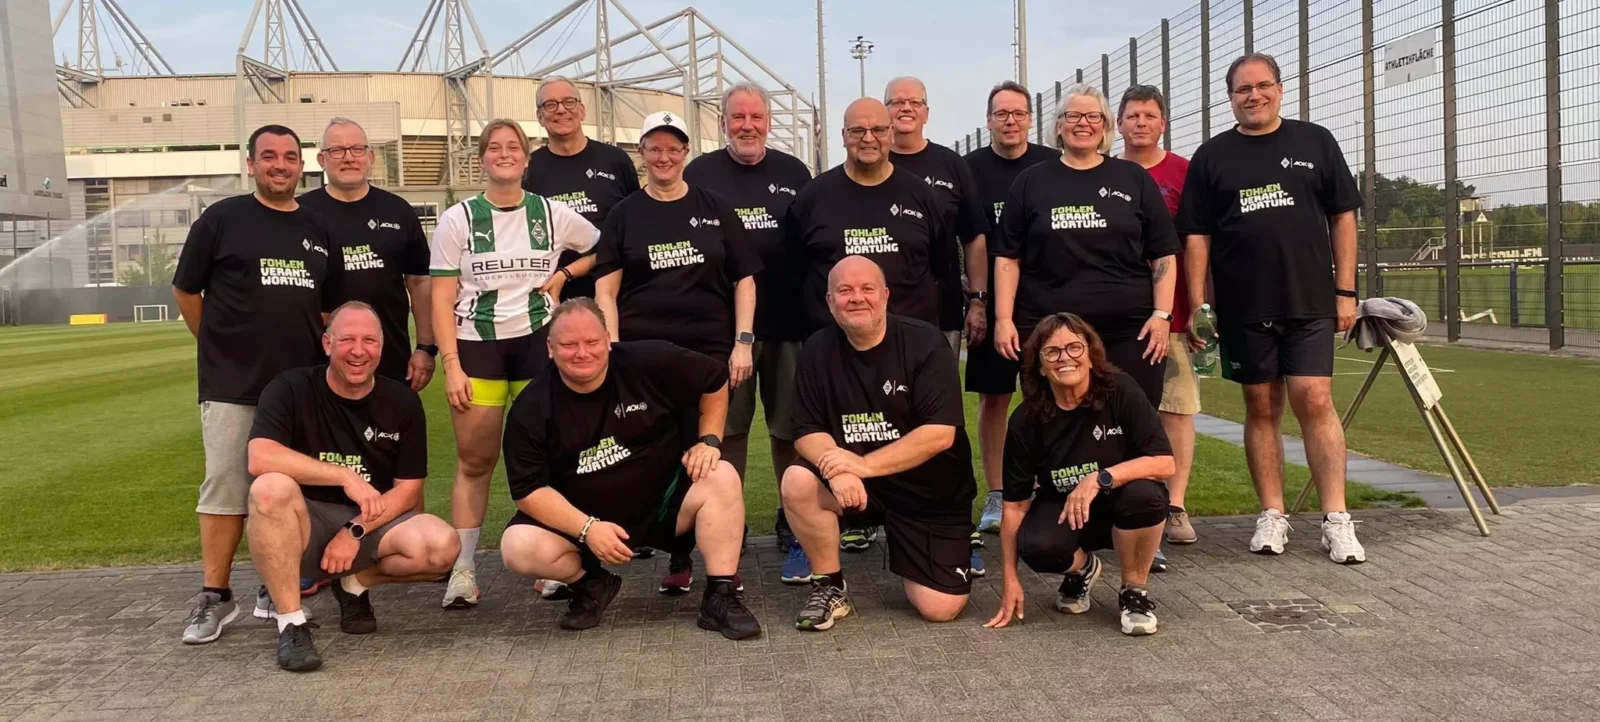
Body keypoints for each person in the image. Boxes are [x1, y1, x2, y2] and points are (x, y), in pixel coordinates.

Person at [1175, 53, 1366, 563]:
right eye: (1242, 89)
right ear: (1230, 97)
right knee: (1261, 406)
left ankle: (1336, 519)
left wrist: (1345, 292)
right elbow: (1197, 236)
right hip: (1242, 304)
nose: (1253, 95)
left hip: (1309, 301)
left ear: (1280, 89)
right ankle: (1273, 515)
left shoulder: (1315, 141)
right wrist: (1198, 304)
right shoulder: (1212, 157)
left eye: (1262, 86)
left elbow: (1343, 217)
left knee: (1314, 398)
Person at [498, 298, 762, 639]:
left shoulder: (647, 360)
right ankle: (591, 583)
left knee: (721, 474)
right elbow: (528, 491)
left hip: (664, 507)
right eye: (569, 344)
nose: (582, 353)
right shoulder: (530, 409)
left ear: (608, 339)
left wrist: (708, 440)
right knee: (517, 546)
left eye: (592, 342)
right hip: (586, 523)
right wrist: (587, 528)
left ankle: (720, 596)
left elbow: (713, 380)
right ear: (550, 349)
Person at [171, 124, 343, 645]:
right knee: (226, 487)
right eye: (269, 156)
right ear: (251, 164)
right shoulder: (222, 219)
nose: (280, 165)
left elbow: (325, 307)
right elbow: (186, 291)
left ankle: (278, 586)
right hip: (233, 383)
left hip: (299, 388)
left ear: (302, 165)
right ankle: (215, 597)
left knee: (291, 490)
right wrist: (220, 346)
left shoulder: (317, 227)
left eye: (289, 157)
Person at [431, 118, 602, 609]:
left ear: (527, 160)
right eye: (494, 148)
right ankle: (463, 569)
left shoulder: (552, 213)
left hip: (537, 346)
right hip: (477, 349)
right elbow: (441, 299)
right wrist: (451, 364)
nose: (504, 154)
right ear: (482, 159)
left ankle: (555, 561)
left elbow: (600, 246)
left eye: (513, 147)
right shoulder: (458, 219)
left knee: (555, 458)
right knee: (476, 460)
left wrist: (564, 273)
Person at [594, 109, 762, 595]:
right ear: (641, 153)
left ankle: (721, 562)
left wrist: (743, 342)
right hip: (646, 358)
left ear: (685, 153)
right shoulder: (626, 212)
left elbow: (744, 278)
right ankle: (677, 555)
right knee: (659, 451)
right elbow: (606, 288)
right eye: (655, 147)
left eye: (673, 148)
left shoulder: (714, 205)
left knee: (710, 450)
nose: (664, 156)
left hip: (710, 355)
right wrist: (615, 347)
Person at [245, 301, 460, 671]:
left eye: (369, 341)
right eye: (346, 340)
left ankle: (354, 585)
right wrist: (344, 476)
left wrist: (355, 530)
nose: (358, 351)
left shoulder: (403, 402)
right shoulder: (290, 387)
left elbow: (408, 490)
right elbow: (259, 457)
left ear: (382, 346)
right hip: (304, 525)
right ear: (327, 344)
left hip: (369, 523)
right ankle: (291, 622)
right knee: (269, 488)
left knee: (442, 546)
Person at [784, 98, 955, 558]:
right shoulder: (814, 197)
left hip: (908, 345)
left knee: (921, 439)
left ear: (891, 134)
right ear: (842, 135)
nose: (868, 139)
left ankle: (942, 525)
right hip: (834, 345)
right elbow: (793, 271)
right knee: (827, 439)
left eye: (878, 130)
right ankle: (824, 530)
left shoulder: (921, 195)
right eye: (857, 130)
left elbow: (941, 266)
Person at [780, 256, 977, 631]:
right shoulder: (816, 349)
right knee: (797, 481)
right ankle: (830, 585)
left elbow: (939, 433)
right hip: (857, 488)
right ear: (829, 301)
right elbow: (806, 430)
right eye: (845, 291)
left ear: (885, 296)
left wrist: (863, 465)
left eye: (867, 289)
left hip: (929, 493)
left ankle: (916, 549)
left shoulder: (926, 342)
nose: (857, 298)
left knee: (939, 608)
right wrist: (834, 468)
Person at [682, 83, 813, 566]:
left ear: (769, 122)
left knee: (790, 431)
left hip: (787, 325)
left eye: (756, 117)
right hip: (722, 330)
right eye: (738, 117)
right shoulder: (700, 173)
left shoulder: (794, 172)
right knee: (727, 431)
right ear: (722, 123)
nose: (747, 126)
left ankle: (792, 521)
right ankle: (727, 521)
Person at [983, 313, 1175, 636]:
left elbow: (1164, 463)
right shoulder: (1025, 421)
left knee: (1146, 496)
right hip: (1064, 511)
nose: (1065, 358)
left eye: (1074, 347)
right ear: (1041, 367)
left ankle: (1134, 592)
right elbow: (1014, 506)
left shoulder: (1120, 391)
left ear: (1090, 355)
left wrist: (1101, 478)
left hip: (1121, 505)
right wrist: (1010, 580)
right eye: (1052, 352)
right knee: (1035, 545)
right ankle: (1083, 568)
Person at [991, 83, 1180, 409]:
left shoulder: (1132, 178)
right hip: (1051, 330)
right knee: (1057, 425)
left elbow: (1163, 252)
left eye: (1093, 116)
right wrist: (1004, 319)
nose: (1083, 123)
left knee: (1131, 425)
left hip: (1128, 332)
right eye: (1073, 115)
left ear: (1106, 125)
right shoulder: (1031, 182)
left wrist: (1162, 316)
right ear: (1059, 125)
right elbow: (1008, 257)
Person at [964, 81, 1060, 538]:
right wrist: (976, 300)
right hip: (993, 305)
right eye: (1001, 113)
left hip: (1045, 301)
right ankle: (999, 492)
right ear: (988, 119)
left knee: (1052, 396)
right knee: (995, 397)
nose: (1010, 121)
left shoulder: (1050, 164)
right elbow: (963, 237)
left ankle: (1047, 488)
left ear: (1030, 119)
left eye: (1018, 113)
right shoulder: (969, 171)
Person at [1116, 85, 1200, 550]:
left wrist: (1198, 308)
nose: (1141, 123)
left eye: (1149, 115)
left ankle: (1175, 504)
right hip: (1119, 316)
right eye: (1132, 116)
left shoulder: (1184, 173)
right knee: (1125, 409)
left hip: (1175, 316)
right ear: (1120, 124)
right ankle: (1131, 496)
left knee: (1177, 409)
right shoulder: (1106, 172)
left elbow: (1197, 244)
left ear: (1163, 122)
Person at [299, 117, 436, 392]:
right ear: (322, 160)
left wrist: (425, 347)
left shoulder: (398, 211)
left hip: (389, 360)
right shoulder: (300, 214)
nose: (348, 158)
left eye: (357, 149)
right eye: (337, 150)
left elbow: (420, 283)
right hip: (316, 363)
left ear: (370, 156)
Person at [883, 76, 991, 360]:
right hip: (877, 313)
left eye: (915, 102)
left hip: (941, 312)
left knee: (937, 398)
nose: (906, 108)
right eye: (897, 102)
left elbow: (973, 236)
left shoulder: (951, 164)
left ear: (926, 113)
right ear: (886, 111)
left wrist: (978, 301)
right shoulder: (871, 163)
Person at [523, 77, 641, 301]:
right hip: (552, 294)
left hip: (615, 292)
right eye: (550, 104)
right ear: (539, 117)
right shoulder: (529, 168)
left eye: (569, 102)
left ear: (582, 110)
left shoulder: (615, 160)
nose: (561, 110)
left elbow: (635, 226)